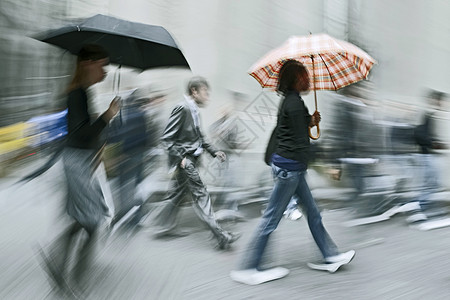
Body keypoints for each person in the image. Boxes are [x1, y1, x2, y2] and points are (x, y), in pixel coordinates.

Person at [230, 60, 355, 285]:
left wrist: (310, 120)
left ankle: (330, 256)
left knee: (313, 213)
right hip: (290, 170)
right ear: (296, 79)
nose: (309, 79)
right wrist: (325, 164)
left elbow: (293, 127)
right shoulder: (294, 103)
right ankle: (249, 268)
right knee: (271, 219)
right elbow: (300, 142)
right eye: (305, 76)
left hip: (291, 169)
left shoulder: (291, 101)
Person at [38, 44, 120, 294]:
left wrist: (98, 146)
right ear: (87, 63)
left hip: (81, 162)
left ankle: (62, 269)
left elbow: (85, 133)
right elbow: (80, 133)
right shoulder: (77, 94)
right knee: (92, 220)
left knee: (83, 217)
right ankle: (74, 279)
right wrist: (108, 115)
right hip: (76, 163)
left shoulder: (83, 93)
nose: (105, 72)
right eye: (102, 65)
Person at [152, 76, 241, 250]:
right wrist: (181, 159)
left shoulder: (193, 110)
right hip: (186, 162)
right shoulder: (182, 108)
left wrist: (215, 152)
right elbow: (167, 139)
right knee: (201, 196)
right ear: (194, 91)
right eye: (205, 93)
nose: (208, 97)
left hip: (190, 160)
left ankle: (160, 225)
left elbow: (200, 137)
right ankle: (221, 236)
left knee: (175, 195)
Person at [407, 89, 447, 223]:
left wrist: (438, 143)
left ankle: (421, 207)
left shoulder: (431, 115)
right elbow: (418, 134)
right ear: (434, 100)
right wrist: (433, 143)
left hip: (429, 154)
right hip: (425, 155)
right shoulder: (425, 114)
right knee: (429, 183)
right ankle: (419, 208)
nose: (442, 103)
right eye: (440, 100)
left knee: (432, 183)